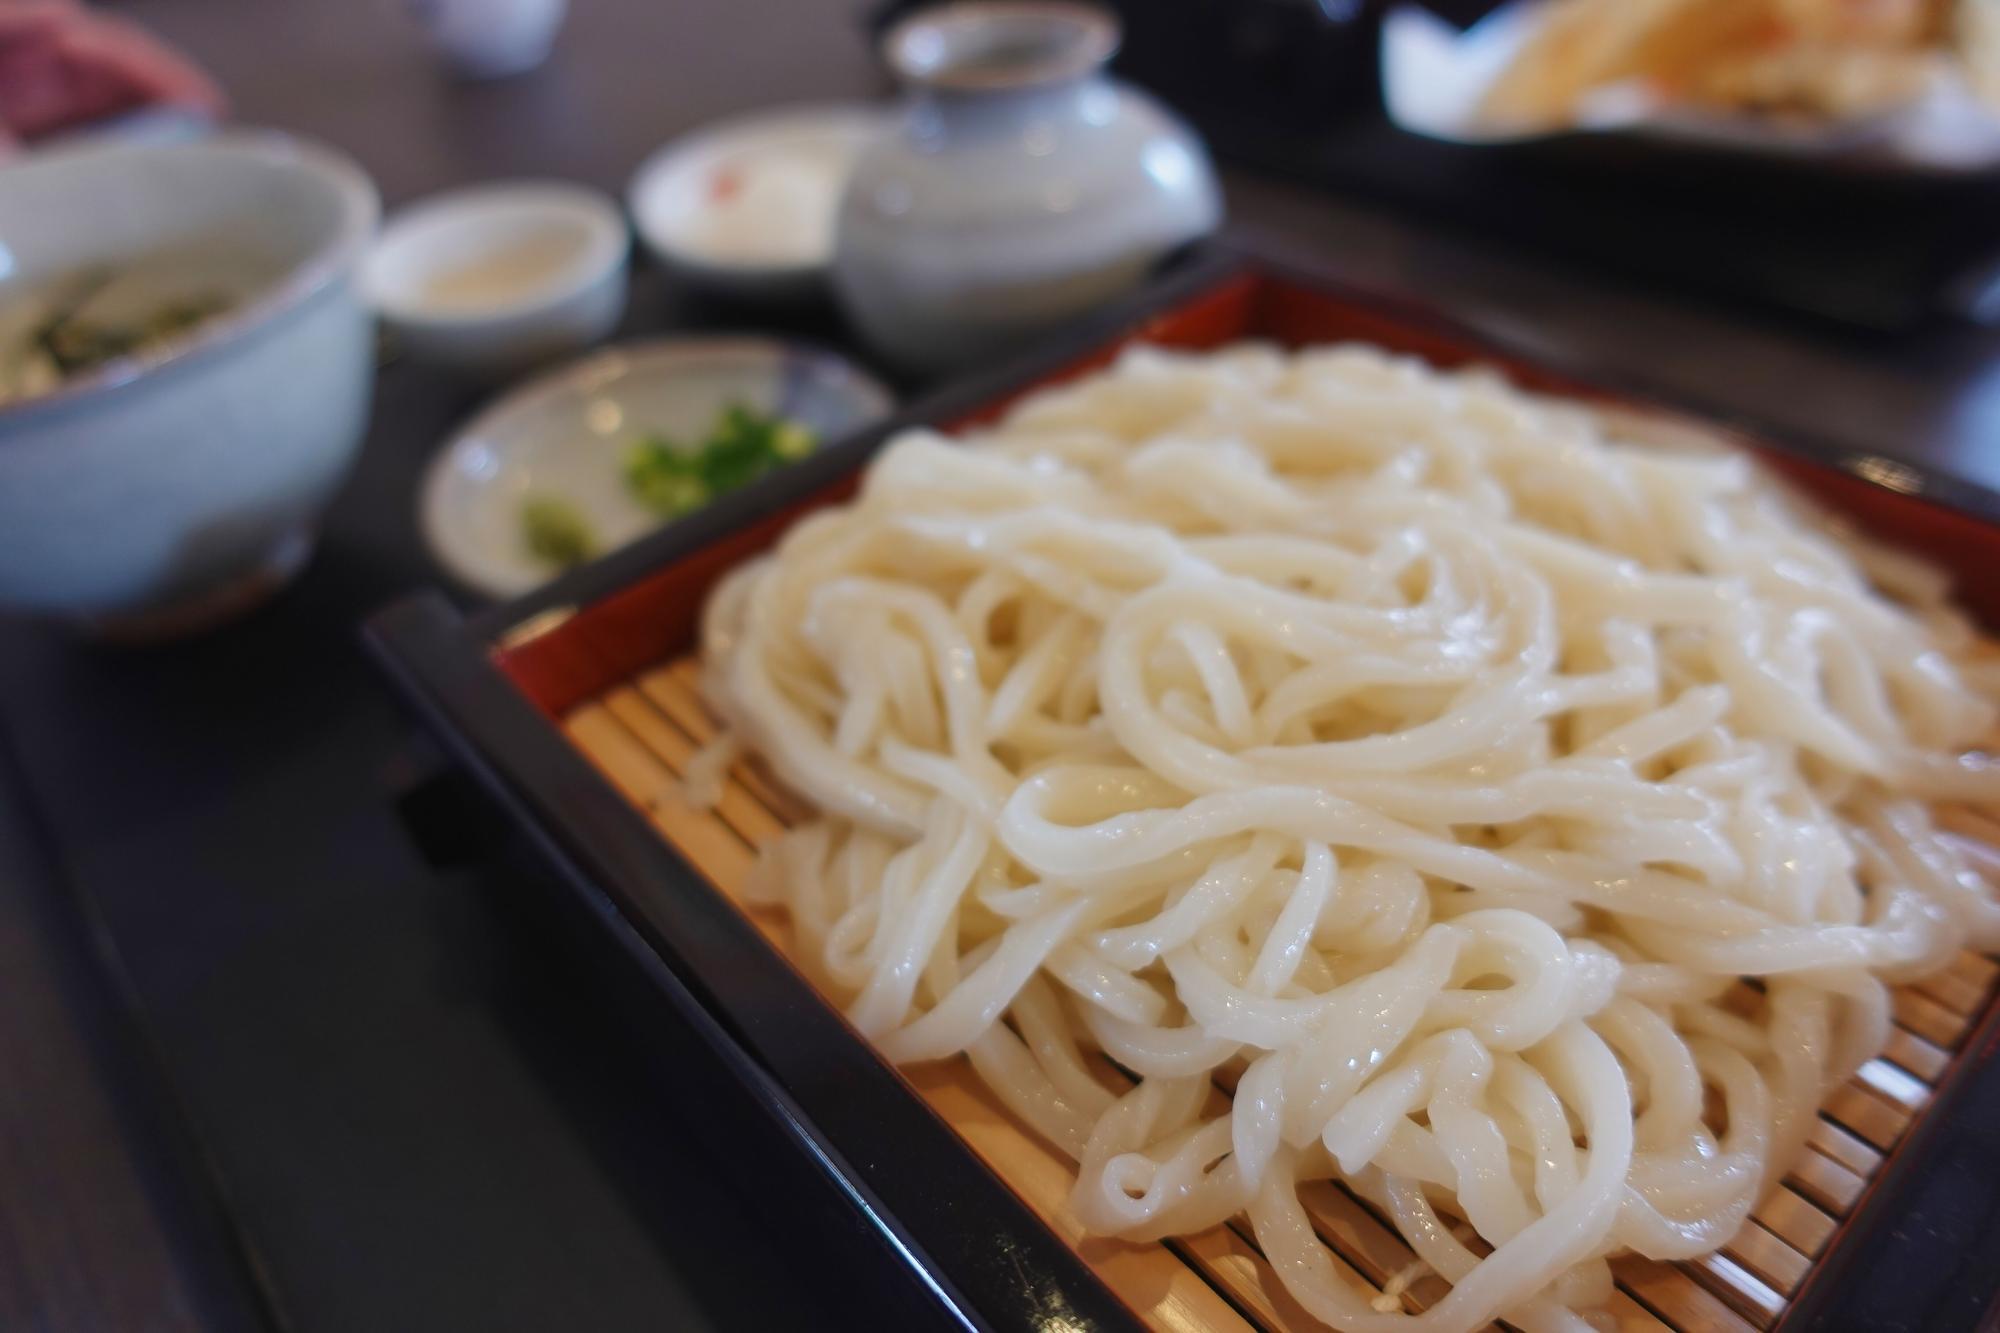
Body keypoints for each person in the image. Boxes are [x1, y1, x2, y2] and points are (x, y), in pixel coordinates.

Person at [0, 0, 223, 156]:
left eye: (23, 45)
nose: (20, 66)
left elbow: (201, 103)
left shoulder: (89, 51)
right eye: (6, 48)